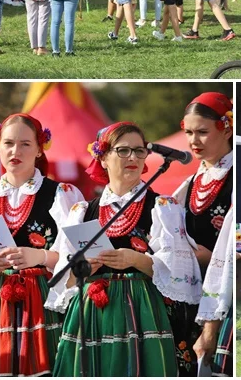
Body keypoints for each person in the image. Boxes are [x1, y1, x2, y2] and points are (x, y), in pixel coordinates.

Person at [47, 122, 196, 376]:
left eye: (139, 151)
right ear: (103, 157)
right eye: (123, 150)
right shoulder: (82, 212)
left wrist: (135, 259)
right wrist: (83, 269)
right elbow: (65, 278)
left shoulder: (161, 206)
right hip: (91, 310)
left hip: (140, 308)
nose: (133, 158)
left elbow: (179, 271)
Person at [0, 114, 84, 375]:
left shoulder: (62, 194)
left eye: (25, 144)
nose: (15, 151)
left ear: (38, 149)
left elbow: (82, 256)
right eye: (8, 143)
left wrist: (42, 256)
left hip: (43, 300)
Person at [171, 92, 233, 374]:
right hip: (190, 299)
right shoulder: (191, 182)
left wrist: (209, 258)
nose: (193, 141)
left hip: (223, 302)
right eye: (189, 132)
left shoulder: (236, 177)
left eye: (203, 132)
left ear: (227, 128)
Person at [194, 209, 235, 376]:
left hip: (222, 307)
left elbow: (223, 262)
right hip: (201, 308)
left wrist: (209, 330)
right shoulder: (186, 189)